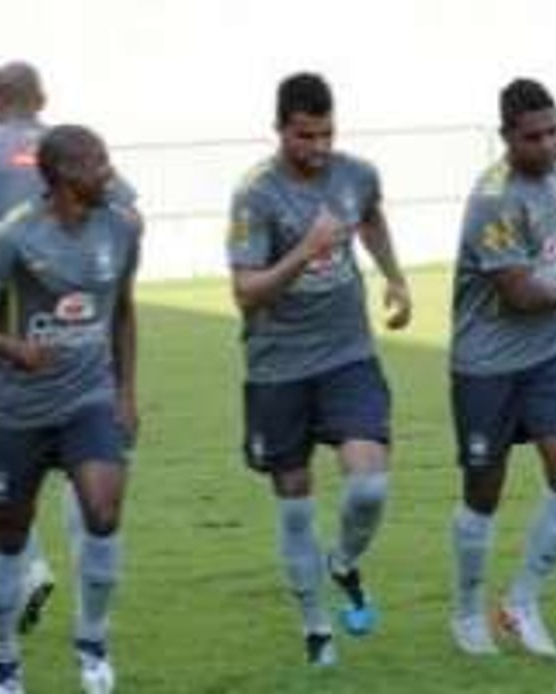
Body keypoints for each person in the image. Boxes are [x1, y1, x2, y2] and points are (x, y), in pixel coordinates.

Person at [226, 72, 410, 666]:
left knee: (371, 483)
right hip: (278, 368)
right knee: (296, 500)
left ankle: (345, 562)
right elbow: (246, 292)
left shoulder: (356, 174)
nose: (320, 148)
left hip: (347, 355)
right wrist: (305, 250)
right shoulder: (255, 195)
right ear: (280, 129)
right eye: (306, 136)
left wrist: (394, 276)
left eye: (328, 133)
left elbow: (372, 216)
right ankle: (316, 629)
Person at [0, 124, 140, 694]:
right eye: (97, 163)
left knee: (104, 514)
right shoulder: (15, 237)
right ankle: (5, 659)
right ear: (61, 177)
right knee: (9, 535)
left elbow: (123, 311)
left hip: (90, 400)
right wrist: (15, 350)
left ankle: (92, 642)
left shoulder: (121, 228)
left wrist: (126, 392)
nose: (109, 172)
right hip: (20, 413)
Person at [448, 78, 556, 658]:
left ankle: (521, 601)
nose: (545, 145)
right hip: (485, 364)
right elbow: (519, 294)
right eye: (532, 136)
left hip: (548, 358)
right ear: (507, 137)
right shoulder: (494, 198)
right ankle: (465, 610)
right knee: (483, 492)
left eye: (553, 132)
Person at [0, 60, 94, 632]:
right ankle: (90, 596)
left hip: (7, 330)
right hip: (77, 327)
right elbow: (122, 213)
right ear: (43, 97)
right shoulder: (72, 150)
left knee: (9, 452)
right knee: (83, 454)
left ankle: (30, 565)